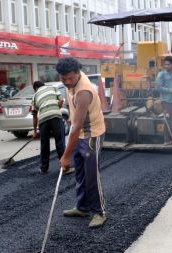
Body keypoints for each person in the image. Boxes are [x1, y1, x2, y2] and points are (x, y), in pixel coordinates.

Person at [57, 57, 107, 228]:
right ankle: (82, 207)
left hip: (91, 135)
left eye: (70, 78)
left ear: (78, 73)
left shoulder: (83, 92)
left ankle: (99, 212)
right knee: (80, 173)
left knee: (91, 175)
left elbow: (77, 126)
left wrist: (65, 156)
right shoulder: (71, 82)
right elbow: (75, 125)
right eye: (63, 79)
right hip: (79, 134)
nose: (67, 82)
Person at [31, 81, 66, 174]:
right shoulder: (53, 88)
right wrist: (56, 107)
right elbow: (61, 100)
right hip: (55, 117)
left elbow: (34, 115)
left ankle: (43, 169)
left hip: (43, 120)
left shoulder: (34, 96)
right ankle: (64, 168)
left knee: (44, 145)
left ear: (35, 88)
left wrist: (35, 131)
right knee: (60, 142)